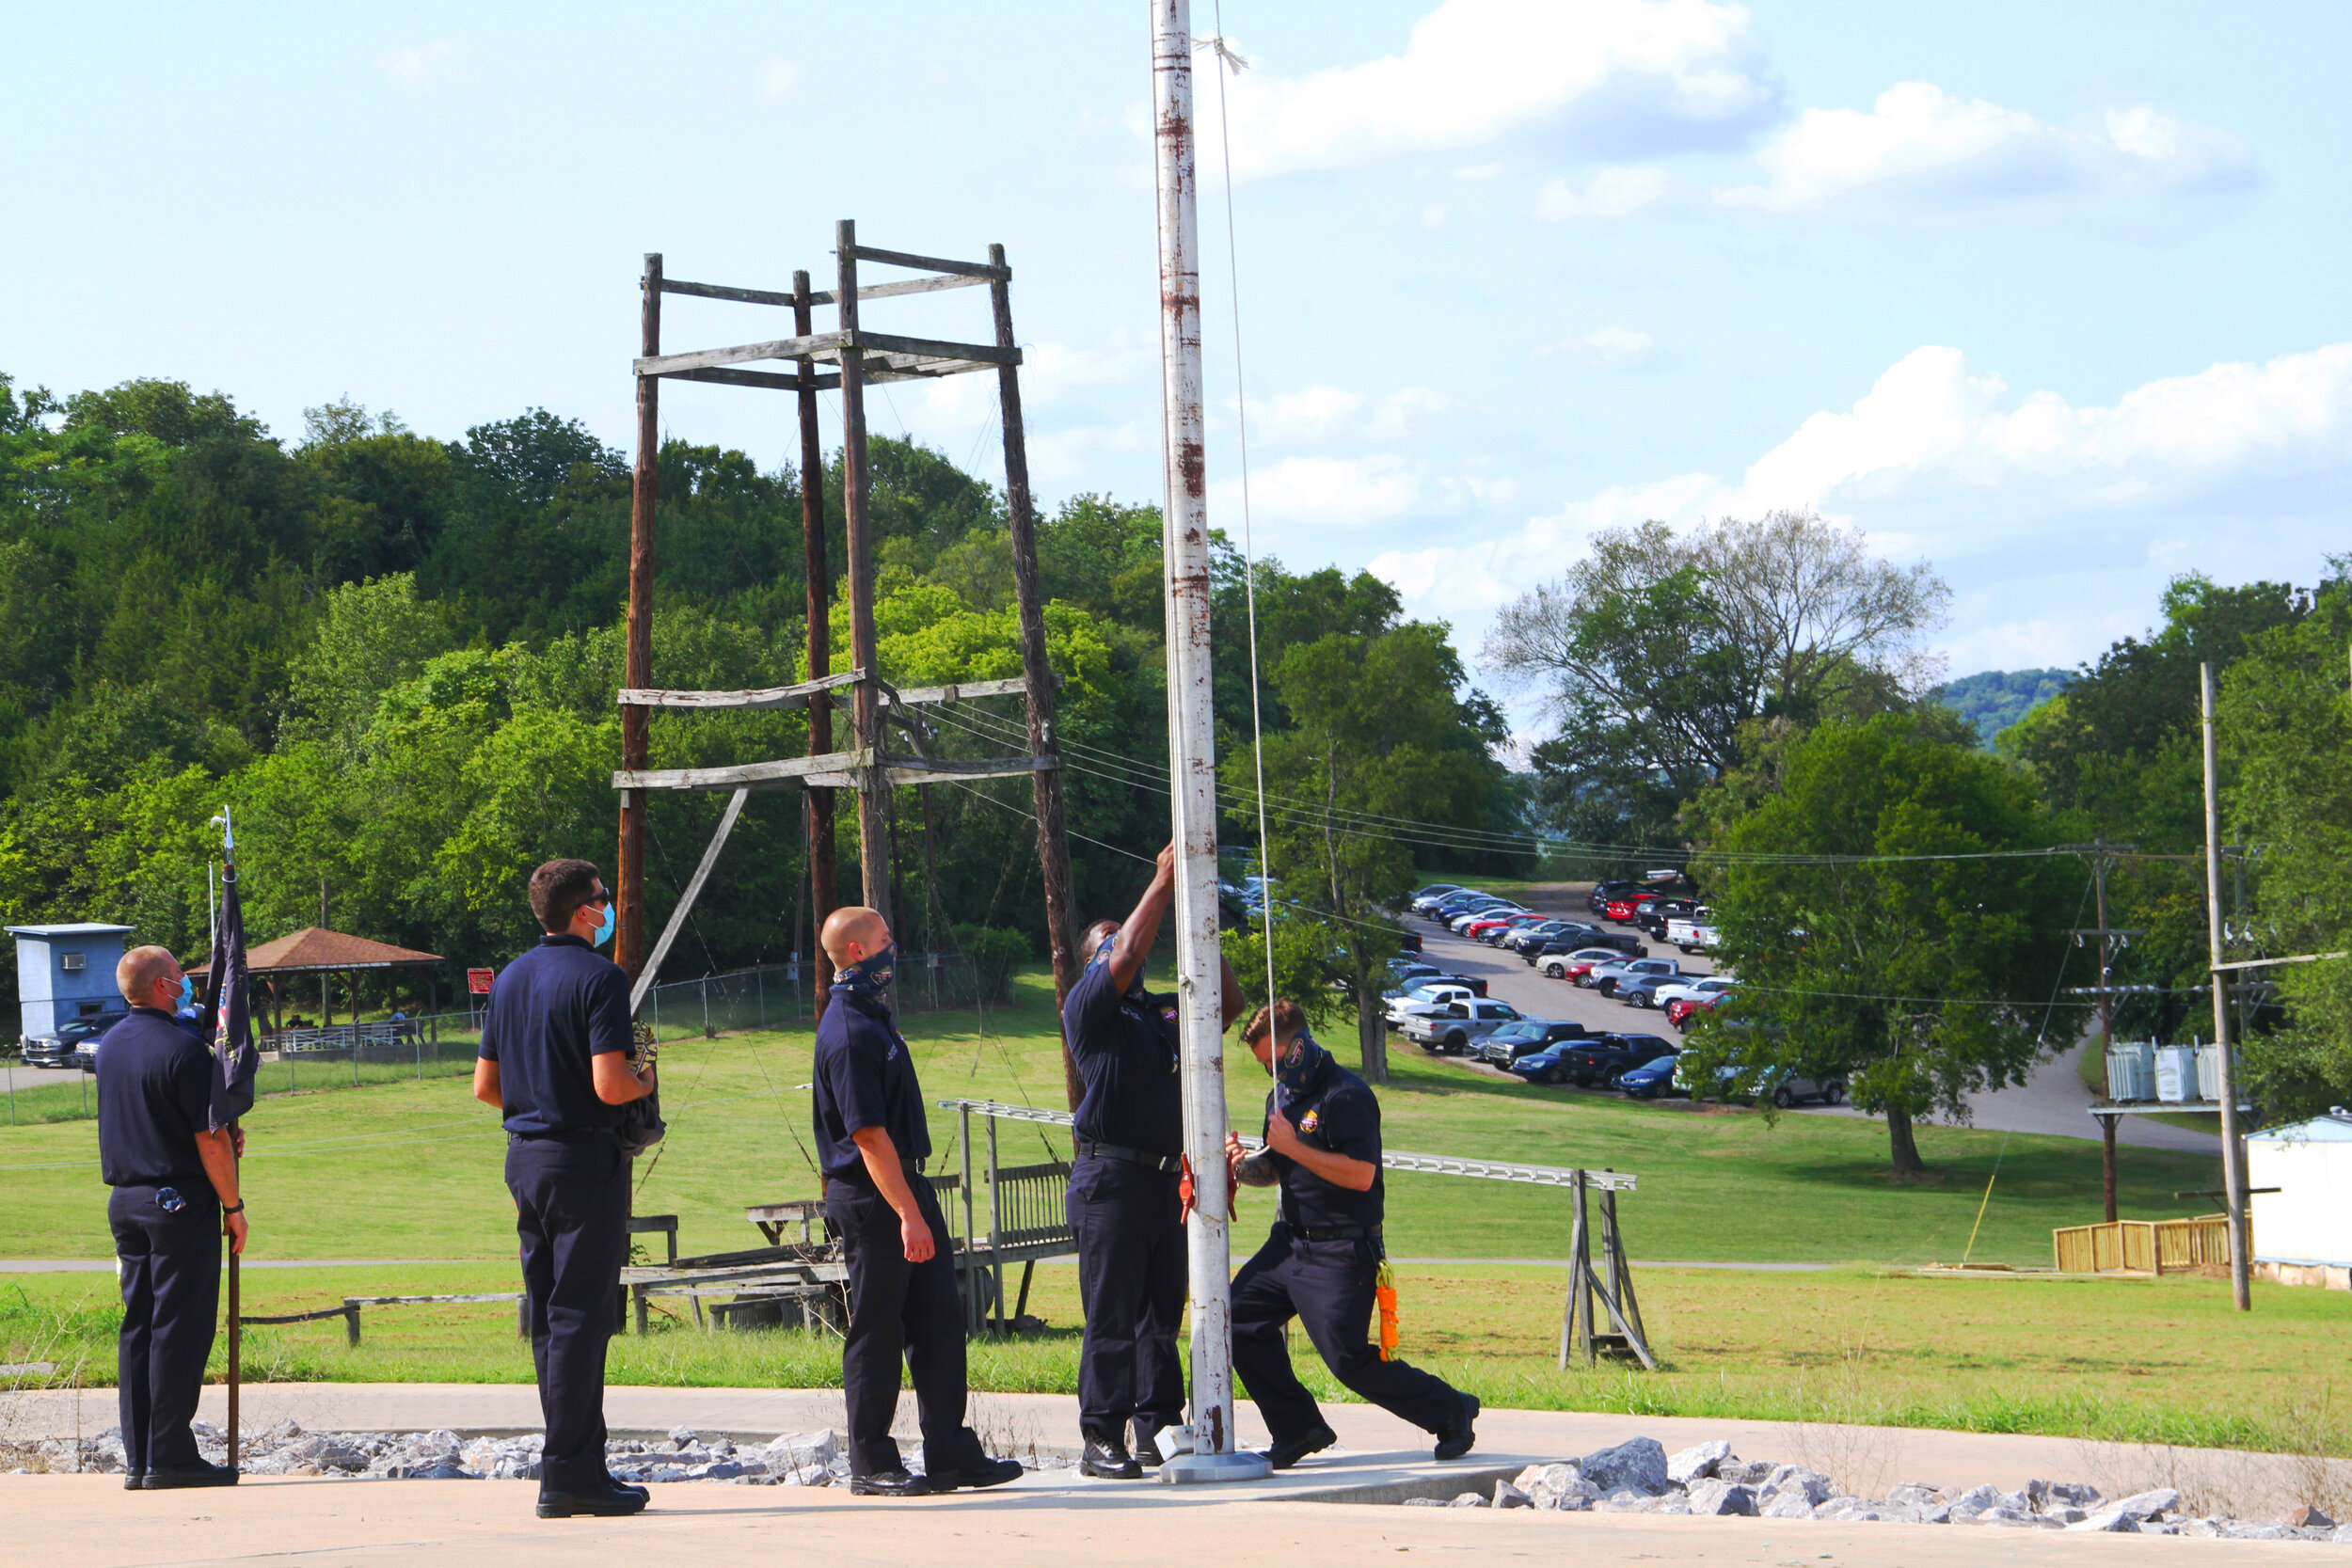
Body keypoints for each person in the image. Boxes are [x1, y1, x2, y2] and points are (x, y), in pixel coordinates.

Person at [812, 905, 1023, 1498]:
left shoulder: (872, 1016)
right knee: (878, 1327)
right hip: (875, 1195)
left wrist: (916, 1202)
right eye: (883, 938)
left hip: (907, 1183)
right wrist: (907, 1213)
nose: (893, 946)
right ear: (857, 952)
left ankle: (951, 1453)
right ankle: (872, 1461)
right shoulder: (849, 1029)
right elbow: (868, 1136)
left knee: (937, 1321)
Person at [473, 858, 656, 1520]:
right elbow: (611, 1084)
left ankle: (574, 1462)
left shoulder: (511, 977)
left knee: (550, 1312)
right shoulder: (602, 978)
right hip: (582, 1158)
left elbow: (485, 1087)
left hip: (524, 1156)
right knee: (585, 1315)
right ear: (584, 910)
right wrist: (646, 1080)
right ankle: (571, 1472)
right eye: (603, 900)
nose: (608, 910)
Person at [1223, 999, 1478, 1469]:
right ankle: (1298, 1427)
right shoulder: (1280, 1099)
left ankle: (1451, 1410)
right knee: (1233, 1319)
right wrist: (1242, 1165)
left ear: (1296, 1048)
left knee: (1349, 1361)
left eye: (1273, 1063)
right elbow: (1274, 1170)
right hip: (1289, 1243)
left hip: (1343, 1247)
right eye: (1264, 1068)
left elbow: (1361, 1175)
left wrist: (1295, 1146)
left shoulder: (1347, 1095)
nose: (1272, 1076)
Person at [1062, 844, 1244, 1478]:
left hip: (1167, 1180)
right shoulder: (1087, 1011)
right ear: (1092, 964)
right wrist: (1166, 878)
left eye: (1121, 936)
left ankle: (1159, 1427)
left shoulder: (1162, 1011)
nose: (1122, 947)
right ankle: (1100, 1437)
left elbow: (1227, 1003)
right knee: (1112, 1315)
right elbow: (1129, 949)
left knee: (1160, 1318)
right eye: (1106, 942)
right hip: (1109, 1178)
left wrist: (1199, 919)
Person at [97, 944, 246, 1491]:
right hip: (178, 1203)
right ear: (162, 986)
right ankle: (170, 1455)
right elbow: (208, 1141)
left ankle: (139, 1455)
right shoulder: (185, 1052)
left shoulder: (109, 1046)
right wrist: (233, 1206)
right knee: (179, 1327)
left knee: (139, 1325)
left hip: (127, 1200)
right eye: (180, 975)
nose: (187, 982)